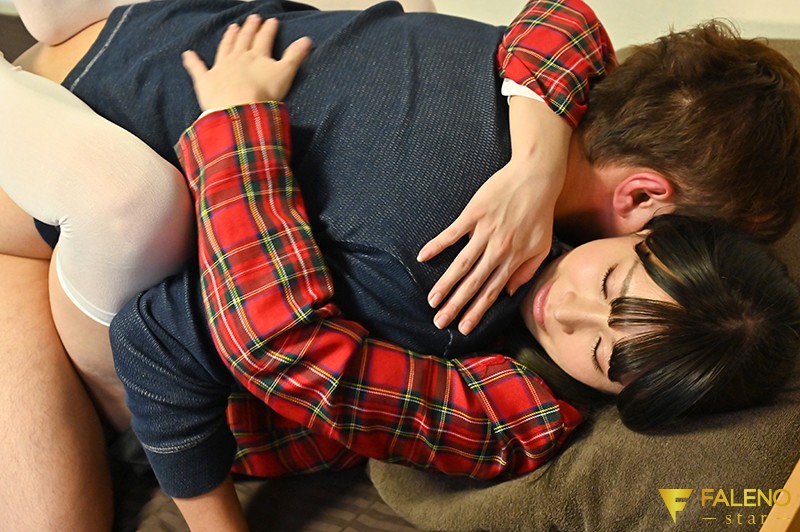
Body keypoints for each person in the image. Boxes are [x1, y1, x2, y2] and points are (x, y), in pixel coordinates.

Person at [110, 18, 800, 528]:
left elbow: (264, 344)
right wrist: (536, 167)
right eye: (608, 286)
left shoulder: (521, 410)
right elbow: (563, 22)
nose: (564, 309)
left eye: (598, 352)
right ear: (650, 226)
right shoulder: (534, 193)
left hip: (174, 388)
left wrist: (238, 123)